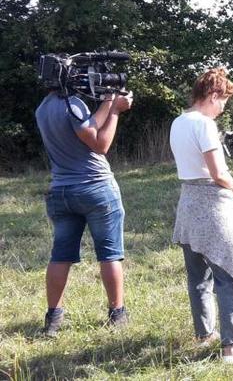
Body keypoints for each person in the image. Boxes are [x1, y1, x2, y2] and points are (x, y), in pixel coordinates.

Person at [169, 68, 233, 364]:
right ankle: (232, 350)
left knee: (199, 277)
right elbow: (217, 173)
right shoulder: (205, 125)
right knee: (231, 274)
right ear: (212, 96)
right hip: (213, 208)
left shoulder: (178, 121)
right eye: (223, 100)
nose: (224, 107)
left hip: (187, 205)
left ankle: (205, 335)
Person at [35, 87, 134, 337]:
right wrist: (116, 112)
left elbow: (86, 127)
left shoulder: (43, 108)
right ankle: (117, 314)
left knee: (60, 256)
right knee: (109, 254)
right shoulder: (73, 103)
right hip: (96, 188)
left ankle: (53, 318)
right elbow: (100, 144)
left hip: (61, 190)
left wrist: (109, 101)